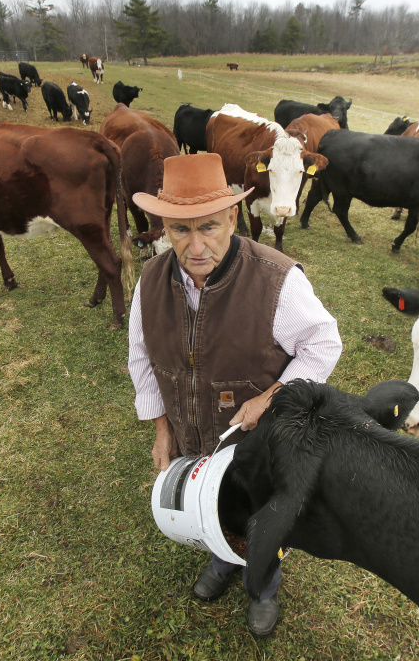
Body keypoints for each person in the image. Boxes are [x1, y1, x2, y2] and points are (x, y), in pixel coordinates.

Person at [127, 153, 343, 637]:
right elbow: (142, 356)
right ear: (164, 224)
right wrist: (162, 430)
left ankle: (262, 582)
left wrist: (269, 397)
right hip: (191, 428)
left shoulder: (275, 279)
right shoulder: (149, 280)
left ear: (231, 217)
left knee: (257, 509)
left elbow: (324, 343)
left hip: (254, 439)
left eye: (209, 227)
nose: (196, 246)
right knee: (207, 502)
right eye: (180, 231)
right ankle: (221, 561)